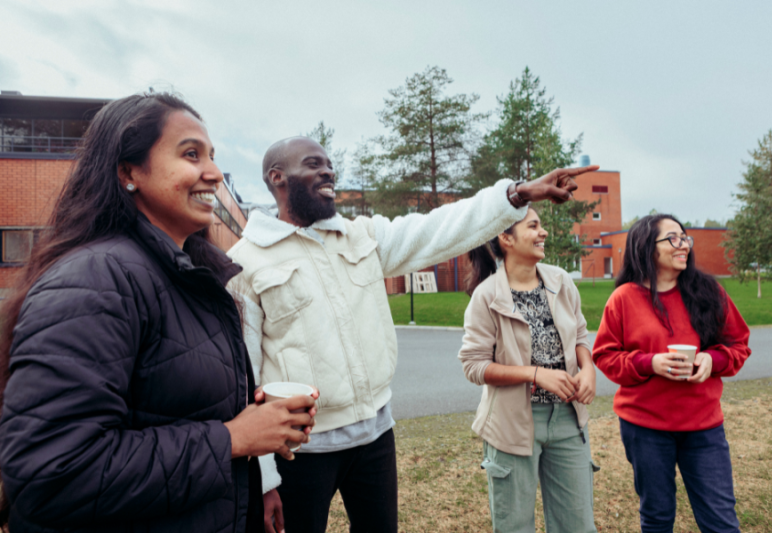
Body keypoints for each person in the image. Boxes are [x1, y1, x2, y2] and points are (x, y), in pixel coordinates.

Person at [226, 135, 598, 532]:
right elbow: (244, 379)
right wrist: (265, 480)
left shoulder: (362, 236)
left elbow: (439, 228)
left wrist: (517, 193)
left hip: (375, 439)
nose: (328, 170)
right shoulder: (245, 263)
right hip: (300, 451)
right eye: (313, 164)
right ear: (278, 177)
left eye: (329, 163)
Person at [0, 93, 317, 533]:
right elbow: (52, 475)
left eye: (212, 156)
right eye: (190, 154)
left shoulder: (186, 276)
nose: (212, 173)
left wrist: (256, 426)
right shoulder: (96, 280)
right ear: (129, 172)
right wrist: (234, 438)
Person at [592, 214, 751, 533]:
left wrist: (712, 360)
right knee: (657, 516)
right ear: (647, 247)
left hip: (704, 427)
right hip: (645, 429)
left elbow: (738, 344)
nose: (684, 246)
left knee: (720, 520)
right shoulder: (623, 299)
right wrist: (650, 363)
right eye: (673, 239)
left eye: (685, 238)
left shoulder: (708, 292)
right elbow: (605, 356)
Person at [458, 206, 598, 533]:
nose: (543, 232)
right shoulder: (486, 296)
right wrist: (534, 373)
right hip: (512, 424)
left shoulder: (561, 281)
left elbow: (579, 333)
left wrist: (588, 367)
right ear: (506, 238)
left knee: (577, 526)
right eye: (533, 226)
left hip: (567, 418)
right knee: (514, 527)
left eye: (541, 225)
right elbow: (474, 366)